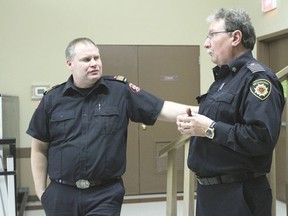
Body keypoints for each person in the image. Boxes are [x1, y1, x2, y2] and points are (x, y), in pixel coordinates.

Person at [27, 37, 196, 216]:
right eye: (86, 59)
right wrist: (41, 193)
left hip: (104, 195)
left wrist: (204, 111)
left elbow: (161, 108)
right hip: (61, 194)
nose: (94, 63)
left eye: (96, 58)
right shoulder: (52, 99)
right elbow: (39, 147)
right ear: (70, 64)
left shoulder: (119, 91)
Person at [177, 8, 285, 216]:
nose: (206, 43)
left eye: (211, 35)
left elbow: (260, 138)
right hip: (211, 192)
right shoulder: (224, 80)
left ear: (236, 37)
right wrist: (195, 125)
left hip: (238, 193)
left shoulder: (258, 79)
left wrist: (210, 129)